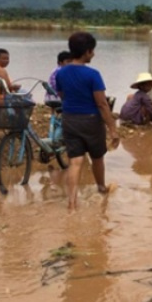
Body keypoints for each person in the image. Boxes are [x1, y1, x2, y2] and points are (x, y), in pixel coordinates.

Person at [55, 32, 119, 209]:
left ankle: (72, 202)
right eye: (92, 51)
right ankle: (101, 189)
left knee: (75, 161)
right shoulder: (93, 74)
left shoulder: (61, 73)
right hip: (91, 120)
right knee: (97, 157)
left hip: (69, 119)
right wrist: (113, 129)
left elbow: (62, 95)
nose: (94, 54)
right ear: (87, 52)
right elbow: (102, 104)